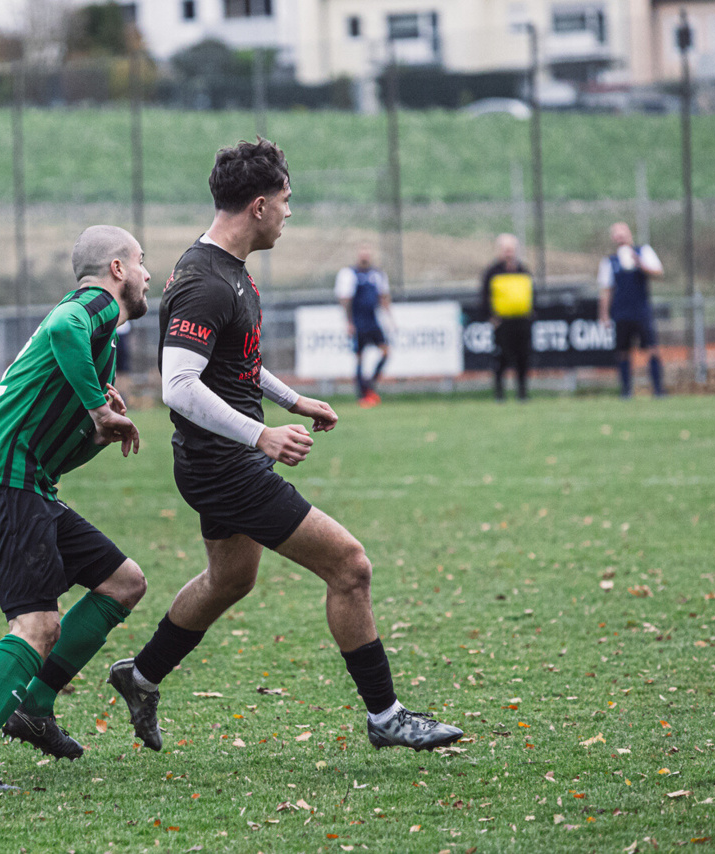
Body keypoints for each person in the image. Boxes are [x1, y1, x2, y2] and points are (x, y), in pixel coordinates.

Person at [107, 138, 463, 756]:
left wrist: (292, 401)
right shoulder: (205, 281)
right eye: (286, 200)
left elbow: (234, 363)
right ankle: (385, 716)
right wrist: (262, 434)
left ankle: (140, 676)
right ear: (259, 205)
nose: (290, 212)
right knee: (350, 566)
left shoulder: (228, 269)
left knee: (230, 579)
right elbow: (178, 386)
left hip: (218, 460)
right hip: (225, 466)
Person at [0, 225, 151, 793]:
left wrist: (97, 433)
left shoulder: (101, 348)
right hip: (1, 480)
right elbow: (61, 324)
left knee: (123, 583)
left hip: (27, 483)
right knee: (37, 624)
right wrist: (98, 408)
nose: (149, 275)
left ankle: (35, 706)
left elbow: (61, 455)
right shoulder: (93, 306)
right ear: (117, 269)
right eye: (142, 261)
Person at [598, 221, 666, 397]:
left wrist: (640, 264)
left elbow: (658, 272)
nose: (620, 237)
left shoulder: (643, 252)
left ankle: (658, 390)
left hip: (641, 310)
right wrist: (604, 315)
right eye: (616, 234)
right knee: (622, 352)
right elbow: (606, 290)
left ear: (629, 234)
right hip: (621, 312)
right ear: (613, 238)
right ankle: (626, 391)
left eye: (622, 233)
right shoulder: (609, 261)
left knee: (652, 349)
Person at [480, 233, 535, 402]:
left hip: (522, 321)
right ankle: (499, 394)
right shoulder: (492, 272)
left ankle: (522, 394)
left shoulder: (523, 270)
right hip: (502, 322)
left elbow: (532, 294)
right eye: (506, 249)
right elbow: (485, 296)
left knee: (523, 358)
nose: (509, 253)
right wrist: (491, 317)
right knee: (501, 359)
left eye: (511, 249)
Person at [334, 247, 392, 407]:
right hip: (358, 322)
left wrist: (390, 319)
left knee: (386, 352)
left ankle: (369, 386)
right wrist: (348, 322)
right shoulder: (349, 274)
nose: (365, 258)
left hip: (373, 321)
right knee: (360, 357)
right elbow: (345, 299)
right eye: (362, 255)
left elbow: (384, 297)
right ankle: (362, 394)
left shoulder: (377, 274)